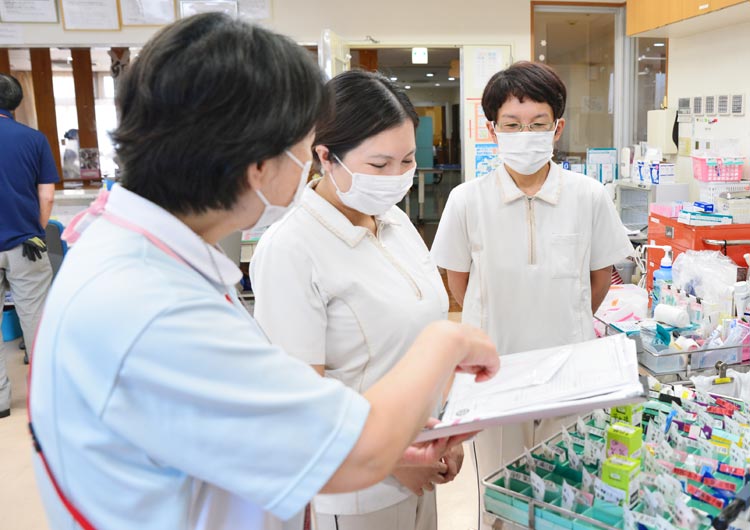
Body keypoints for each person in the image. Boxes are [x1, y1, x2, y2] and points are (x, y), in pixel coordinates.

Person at [28, 14, 499, 530]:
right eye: (304, 145)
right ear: (258, 163)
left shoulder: (141, 254)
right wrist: (446, 344)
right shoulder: (149, 304)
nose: (308, 163)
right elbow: (349, 452)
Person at [250, 70, 458, 530]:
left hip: (425, 456)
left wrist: (446, 429)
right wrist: (390, 459)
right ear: (325, 156)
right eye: (380, 165)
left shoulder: (396, 223)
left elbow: (422, 338)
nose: (398, 177)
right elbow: (300, 400)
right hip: (360, 490)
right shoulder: (292, 248)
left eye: (407, 160)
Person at [430, 61, 633, 528]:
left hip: (572, 376)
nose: (526, 134)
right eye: (513, 125)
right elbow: (457, 284)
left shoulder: (589, 196)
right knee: (500, 500)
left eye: (538, 124)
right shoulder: (467, 200)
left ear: (557, 128)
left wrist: (566, 317)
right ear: (492, 129)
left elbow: (600, 279)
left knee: (570, 496)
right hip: (493, 379)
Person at [0, 73, 58, 417]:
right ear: (17, 103)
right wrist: (33, 229)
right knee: (37, 321)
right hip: (26, 246)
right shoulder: (34, 139)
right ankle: (45, 397)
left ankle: (1, 403)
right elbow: (47, 196)